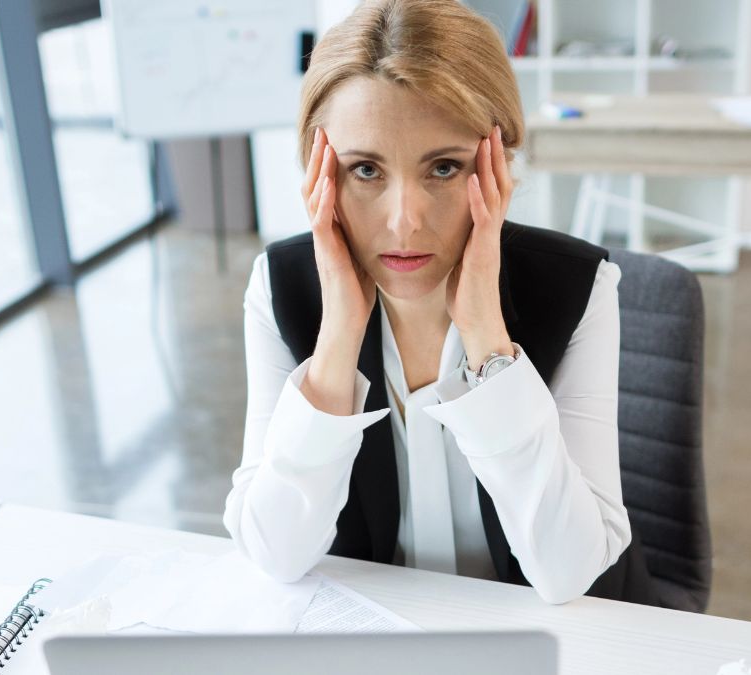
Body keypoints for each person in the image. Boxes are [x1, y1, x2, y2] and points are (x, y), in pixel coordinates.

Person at [223, 0, 656, 606]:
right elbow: (276, 554)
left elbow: (569, 572)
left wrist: (488, 345)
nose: (405, 222)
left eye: (445, 168)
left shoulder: (578, 286)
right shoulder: (281, 288)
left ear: (499, 162)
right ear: (319, 174)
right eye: (366, 170)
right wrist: (338, 341)